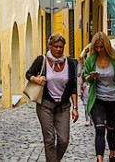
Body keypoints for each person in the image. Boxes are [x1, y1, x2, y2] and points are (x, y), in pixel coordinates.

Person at [82, 31, 115, 162]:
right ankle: (99, 159)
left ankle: (112, 155)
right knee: (99, 128)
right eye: (97, 47)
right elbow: (85, 78)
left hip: (114, 100)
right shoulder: (91, 60)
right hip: (97, 99)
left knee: (111, 128)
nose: (99, 50)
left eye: (102, 47)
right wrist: (91, 77)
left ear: (106, 46)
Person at [26, 33, 79, 162]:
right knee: (49, 139)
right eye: (56, 46)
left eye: (61, 47)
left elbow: (73, 86)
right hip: (45, 104)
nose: (58, 49)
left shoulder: (71, 64)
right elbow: (28, 74)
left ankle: (55, 160)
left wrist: (75, 107)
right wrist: (37, 80)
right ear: (50, 46)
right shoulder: (42, 60)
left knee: (63, 140)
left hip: (64, 106)